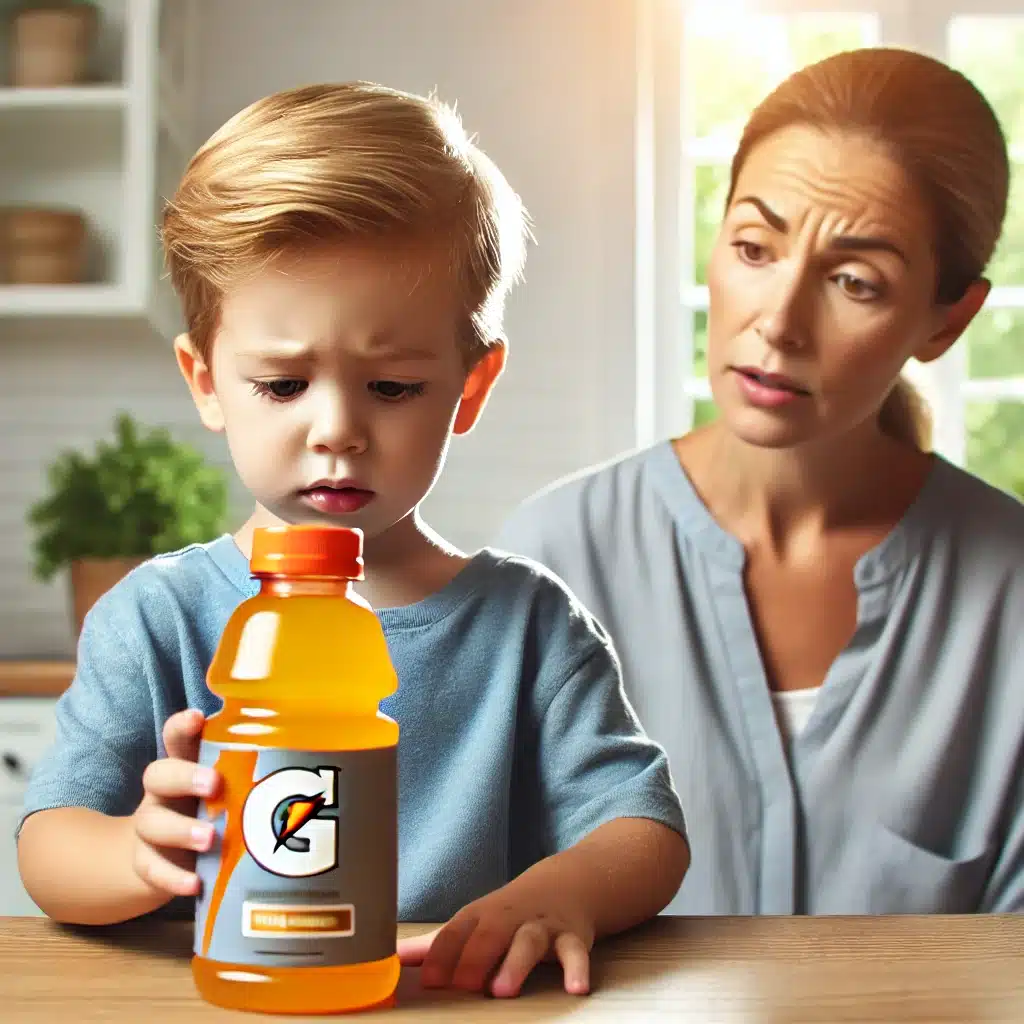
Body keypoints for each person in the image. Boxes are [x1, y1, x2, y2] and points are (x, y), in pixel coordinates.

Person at [16, 82, 690, 998]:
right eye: (284, 385)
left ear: (472, 387)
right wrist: (136, 851)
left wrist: (562, 890)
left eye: (394, 387)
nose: (337, 429)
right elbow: (49, 844)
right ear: (206, 381)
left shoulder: (527, 624)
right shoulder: (159, 615)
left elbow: (642, 828)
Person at [497, 47, 1024, 916]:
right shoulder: (551, 560)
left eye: (856, 281)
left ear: (948, 319)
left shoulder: (1007, 592)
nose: (778, 323)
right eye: (753, 247)